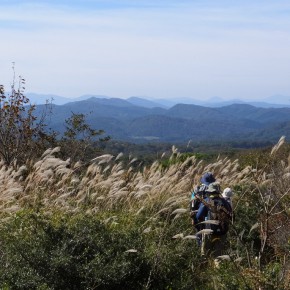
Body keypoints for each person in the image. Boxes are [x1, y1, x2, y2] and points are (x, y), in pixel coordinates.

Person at [196, 182, 232, 257]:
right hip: (222, 233)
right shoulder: (225, 202)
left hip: (209, 231)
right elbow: (231, 215)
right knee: (218, 257)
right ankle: (217, 268)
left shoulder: (207, 201)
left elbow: (198, 216)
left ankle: (205, 268)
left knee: (205, 256)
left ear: (210, 191)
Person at [190, 172, 216, 245]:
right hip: (211, 218)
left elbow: (192, 203)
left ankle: (201, 249)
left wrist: (192, 218)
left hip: (198, 217)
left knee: (199, 235)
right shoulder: (214, 190)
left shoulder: (196, 190)